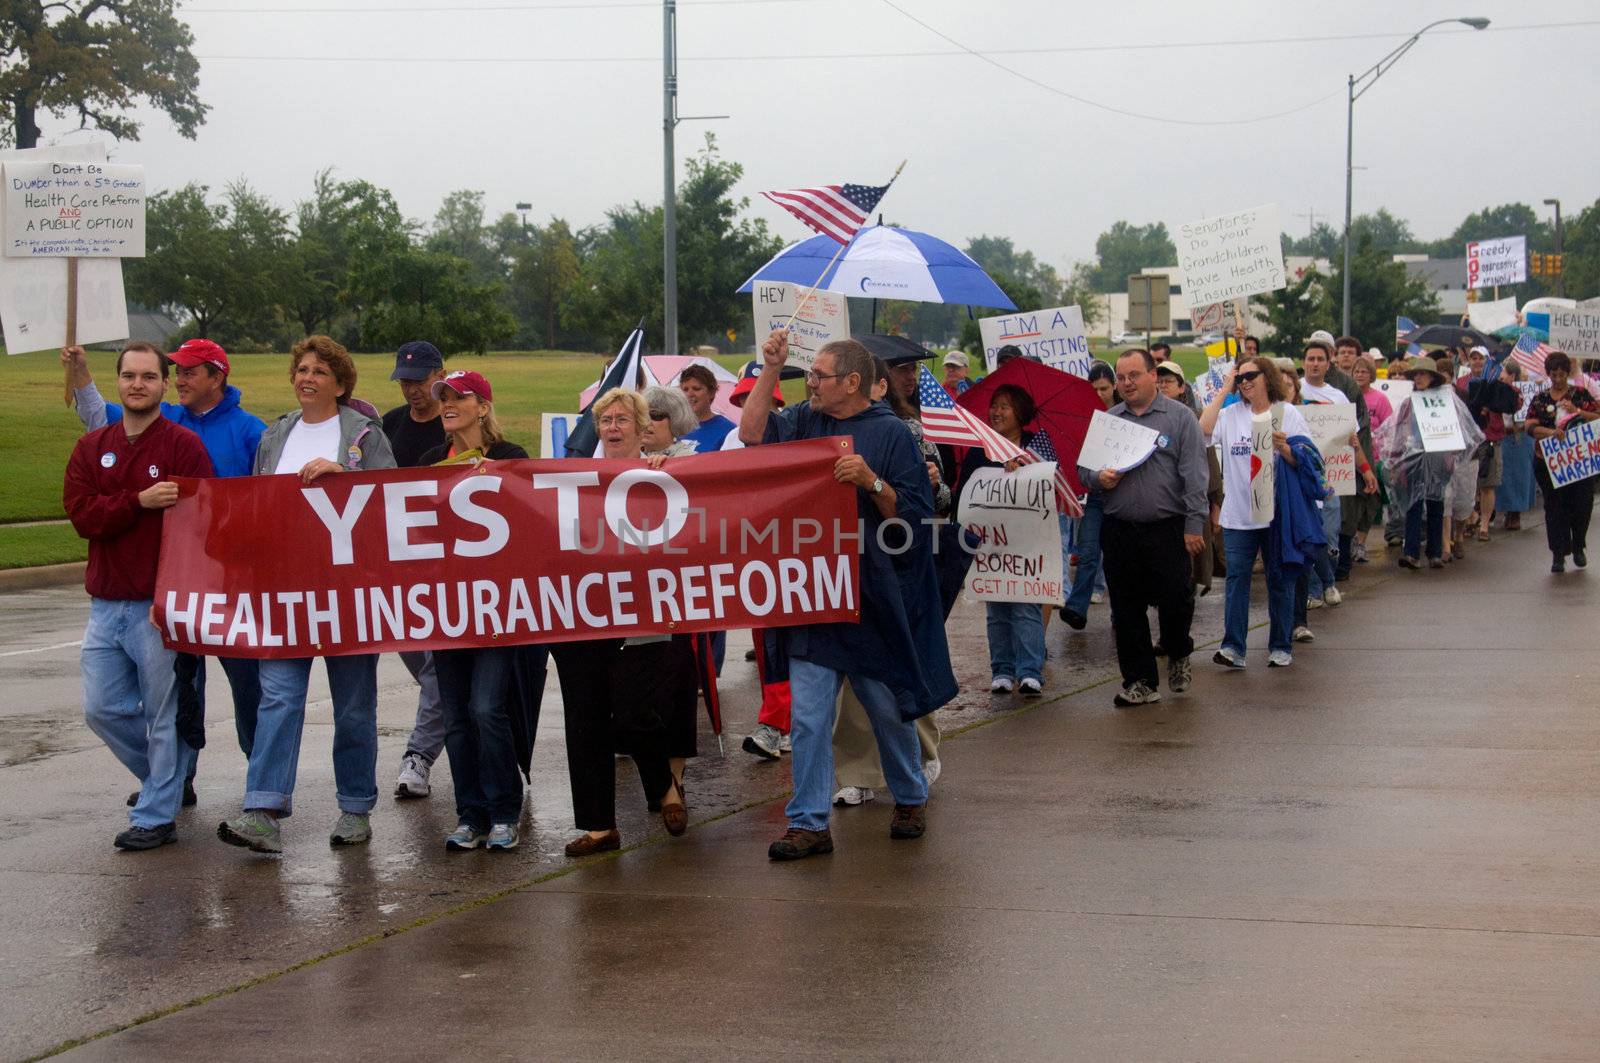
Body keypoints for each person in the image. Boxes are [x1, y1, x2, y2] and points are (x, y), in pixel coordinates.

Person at [740, 332, 955, 861]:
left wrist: (872, 483)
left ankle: (909, 795)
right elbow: (750, 434)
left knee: (885, 707)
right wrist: (772, 368)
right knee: (810, 717)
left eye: (819, 375)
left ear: (853, 382)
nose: (809, 382)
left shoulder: (892, 434)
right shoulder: (807, 421)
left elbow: (913, 516)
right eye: (809, 374)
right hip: (815, 592)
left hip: (872, 595)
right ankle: (809, 822)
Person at [64, 338, 266, 800]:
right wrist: (79, 373)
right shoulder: (166, 418)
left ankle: (261, 790)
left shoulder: (248, 430)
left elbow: (267, 495)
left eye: (191, 371)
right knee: (178, 697)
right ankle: (173, 781)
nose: (180, 379)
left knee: (248, 688)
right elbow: (102, 418)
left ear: (218, 377)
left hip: (231, 583)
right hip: (169, 591)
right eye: (175, 371)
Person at [218, 336, 397, 855]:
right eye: (301, 368)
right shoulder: (275, 436)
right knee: (278, 698)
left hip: (349, 594)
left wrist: (348, 475)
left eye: (319, 370)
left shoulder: (366, 435)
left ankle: (355, 808)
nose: (307, 377)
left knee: (355, 706)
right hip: (286, 592)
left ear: (340, 383)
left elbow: (392, 501)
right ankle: (263, 810)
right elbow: (257, 504)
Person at [64, 343, 215, 850]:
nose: (137, 385)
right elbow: (83, 515)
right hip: (106, 601)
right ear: (119, 381)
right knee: (101, 709)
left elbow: (204, 520)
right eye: (129, 376)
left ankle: (156, 815)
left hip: (160, 603)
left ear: (164, 385)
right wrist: (137, 502)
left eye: (149, 377)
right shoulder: (93, 447)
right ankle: (166, 780)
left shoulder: (182, 446)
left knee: (163, 712)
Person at [554, 387, 697, 856]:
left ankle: (663, 784)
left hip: (643, 613)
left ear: (641, 428)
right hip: (582, 614)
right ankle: (599, 826)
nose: (613, 428)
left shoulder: (666, 471)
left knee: (636, 715)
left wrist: (664, 473)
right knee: (586, 717)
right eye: (605, 420)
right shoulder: (574, 475)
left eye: (622, 420)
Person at [407, 370, 534, 852]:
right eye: (443, 397)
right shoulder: (426, 461)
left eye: (458, 396)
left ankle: (505, 810)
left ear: (483, 406)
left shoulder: (510, 457)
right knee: (456, 715)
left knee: (486, 708)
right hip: (445, 607)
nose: (447, 404)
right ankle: (471, 814)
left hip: (499, 608)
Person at [832, 358, 944, 805]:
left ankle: (922, 752)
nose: (897, 379)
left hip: (903, 564)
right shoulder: (826, 429)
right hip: (851, 567)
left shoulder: (908, 431)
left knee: (903, 668)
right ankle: (859, 773)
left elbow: (938, 502)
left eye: (893, 376)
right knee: (857, 682)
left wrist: (930, 481)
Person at [1079, 349, 1209, 703]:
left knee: (1175, 599)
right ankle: (1140, 680)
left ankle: (1179, 651)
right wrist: (1097, 478)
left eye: (1134, 375)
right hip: (1120, 528)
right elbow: (1083, 471)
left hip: (1167, 527)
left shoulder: (1180, 419)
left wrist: (1194, 524)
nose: (1126, 383)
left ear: (1154, 376)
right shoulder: (1109, 420)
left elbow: (1196, 476)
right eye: (1121, 377)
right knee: (1125, 607)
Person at [1199, 357, 1313, 669]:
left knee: (1279, 579)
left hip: (1276, 514)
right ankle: (1233, 648)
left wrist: (1286, 449)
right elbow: (1202, 430)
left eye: (1251, 375)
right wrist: (1224, 389)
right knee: (1237, 578)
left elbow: (1309, 461)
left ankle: (1280, 645)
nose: (1245, 382)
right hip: (1238, 515)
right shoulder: (1231, 414)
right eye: (1240, 378)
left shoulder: (1286, 413)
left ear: (1268, 376)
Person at [383, 341, 451, 801]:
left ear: (439, 376)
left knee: (437, 669)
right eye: (405, 381)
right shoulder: (388, 425)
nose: (412, 390)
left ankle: (419, 757)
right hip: (397, 566)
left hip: (445, 567)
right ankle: (452, 725)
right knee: (422, 663)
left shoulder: (454, 422)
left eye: (420, 380)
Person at [960, 384, 1047, 698]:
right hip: (991, 543)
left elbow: (1053, 484)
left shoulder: (1037, 444)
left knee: (1026, 606)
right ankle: (1002, 670)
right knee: (996, 609)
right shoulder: (979, 449)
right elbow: (966, 494)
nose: (996, 412)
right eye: (994, 406)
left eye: (1005, 407)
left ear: (1020, 413)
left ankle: (1030, 671)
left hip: (1028, 542)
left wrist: (1024, 472)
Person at [1384, 357, 1484, 572]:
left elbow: (1461, 427)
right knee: (1413, 504)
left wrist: (1454, 448)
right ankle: (1411, 553)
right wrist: (1394, 459)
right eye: (1416, 374)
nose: (1419, 378)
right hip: (1414, 458)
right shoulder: (1409, 402)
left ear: (1432, 377)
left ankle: (1435, 552)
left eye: (1423, 374)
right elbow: (1400, 432)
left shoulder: (1447, 400)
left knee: (1436, 504)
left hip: (1439, 458)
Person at [1526, 351, 1600, 573]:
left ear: (1568, 374)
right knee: (1554, 507)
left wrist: (1577, 411)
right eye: (1554, 375)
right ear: (1548, 374)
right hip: (1548, 462)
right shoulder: (1540, 399)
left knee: (1581, 505)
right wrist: (1549, 432)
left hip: (1578, 462)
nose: (1558, 379)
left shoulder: (1580, 394)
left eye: (1562, 375)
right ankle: (1558, 553)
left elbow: (1597, 417)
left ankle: (1578, 545)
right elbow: (1530, 426)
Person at [1155, 361, 1223, 596]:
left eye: (1168, 381)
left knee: (1189, 569)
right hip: (1160, 505)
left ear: (1182, 387)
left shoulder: (1196, 419)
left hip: (1191, 505)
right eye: (1159, 381)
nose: (1163, 386)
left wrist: (1215, 509)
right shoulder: (1147, 417)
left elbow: (1211, 468)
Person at [1060, 362, 1115, 629]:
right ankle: (1077, 607)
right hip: (1095, 494)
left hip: (1122, 498)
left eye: (1104, 388)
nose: (1100, 394)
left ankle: (1122, 614)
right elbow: (1080, 466)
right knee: (1088, 550)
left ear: (1114, 387)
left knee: (1118, 557)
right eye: (1095, 390)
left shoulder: (1124, 415)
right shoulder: (1086, 418)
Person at [1457, 347, 1520, 543]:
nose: (1477, 361)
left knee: (1488, 484)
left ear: (1487, 361)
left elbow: (1515, 402)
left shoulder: (1496, 380)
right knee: (1469, 485)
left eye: (1481, 358)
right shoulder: (1461, 383)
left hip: (1491, 436)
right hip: (1468, 440)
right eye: (1473, 358)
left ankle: (1484, 525)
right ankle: (1469, 518)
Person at [1349, 355, 1393, 562]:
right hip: (1350, 458)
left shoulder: (1380, 399)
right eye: (1356, 371)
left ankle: (1361, 542)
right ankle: (1349, 540)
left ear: (1371, 375)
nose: (1359, 375)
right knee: (1352, 500)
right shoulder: (1347, 396)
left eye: (1364, 371)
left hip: (1373, 456)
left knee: (1371, 499)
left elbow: (1390, 426)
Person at [1494, 360, 1537, 531]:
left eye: (1503, 375)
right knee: (1503, 476)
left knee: (1520, 476)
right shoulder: (1498, 391)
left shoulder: (1526, 392)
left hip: (1521, 436)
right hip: (1503, 436)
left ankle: (1515, 513)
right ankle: (1504, 510)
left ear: (1512, 375)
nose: (1501, 378)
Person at [678, 364, 736, 452]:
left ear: (712, 392)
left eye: (696, 389)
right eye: (685, 390)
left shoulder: (729, 431)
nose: (689, 394)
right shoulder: (674, 427)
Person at [642, 384, 701, 456]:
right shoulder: (629, 454)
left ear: (676, 420)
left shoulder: (688, 459)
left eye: (655, 415)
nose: (646, 421)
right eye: (642, 414)